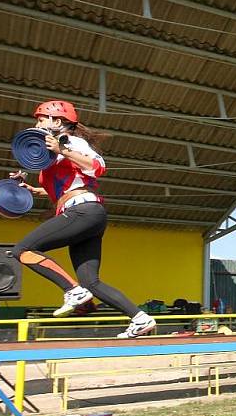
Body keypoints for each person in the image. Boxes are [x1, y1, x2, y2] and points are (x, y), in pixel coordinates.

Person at [11, 100, 156, 338]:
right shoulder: (54, 154)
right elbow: (66, 187)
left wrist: (62, 149)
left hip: (82, 211)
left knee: (22, 250)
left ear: (57, 122)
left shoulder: (70, 142)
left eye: (40, 119)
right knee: (91, 282)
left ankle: (72, 291)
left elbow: (98, 166)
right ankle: (140, 318)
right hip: (87, 213)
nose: (36, 123)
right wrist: (33, 190)